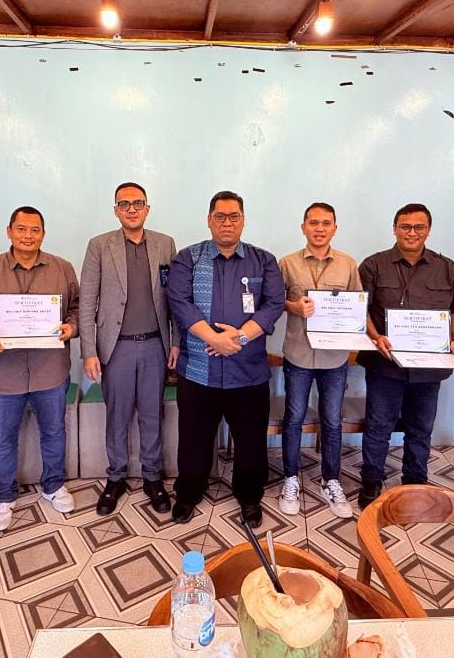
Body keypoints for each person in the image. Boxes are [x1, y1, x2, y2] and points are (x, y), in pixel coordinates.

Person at [166, 190, 285, 527]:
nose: (227, 222)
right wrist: (214, 338)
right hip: (198, 369)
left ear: (243, 220)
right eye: (220, 216)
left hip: (248, 370)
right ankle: (189, 493)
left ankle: (249, 497)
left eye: (234, 216)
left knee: (250, 440)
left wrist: (239, 338)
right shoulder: (187, 259)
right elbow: (179, 301)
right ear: (209, 220)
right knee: (194, 439)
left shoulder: (264, 260)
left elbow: (274, 304)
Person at [0, 206, 80, 529]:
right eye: (22, 229)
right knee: (2, 438)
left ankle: (54, 485)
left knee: (54, 431)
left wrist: (71, 327)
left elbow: (77, 307)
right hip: (3, 372)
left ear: (43, 233)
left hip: (50, 369)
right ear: (9, 231)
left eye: (35, 230)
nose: (28, 236)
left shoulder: (62, 268)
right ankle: (3, 497)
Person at [356, 203, 454, 508]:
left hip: (430, 367)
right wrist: (375, 336)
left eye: (419, 227)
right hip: (385, 364)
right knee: (379, 426)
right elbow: (360, 308)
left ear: (428, 231)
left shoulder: (446, 267)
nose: (412, 233)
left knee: (420, 428)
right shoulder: (374, 265)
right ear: (395, 229)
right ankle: (371, 480)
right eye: (405, 227)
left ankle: (415, 481)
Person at [79, 182, 178, 515]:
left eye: (138, 203)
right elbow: (87, 302)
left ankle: (153, 477)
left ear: (147, 208)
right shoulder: (99, 246)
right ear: (116, 210)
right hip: (116, 348)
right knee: (117, 417)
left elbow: (176, 299)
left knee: (152, 416)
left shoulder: (165, 244)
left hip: (154, 346)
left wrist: (176, 342)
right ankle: (116, 477)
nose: (132, 209)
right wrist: (89, 351)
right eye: (124, 204)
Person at [277, 202, 361, 518]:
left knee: (332, 421)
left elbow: (357, 307)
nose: (319, 228)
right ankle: (290, 478)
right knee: (294, 418)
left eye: (326, 223)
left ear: (334, 228)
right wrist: (293, 307)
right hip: (298, 354)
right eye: (313, 222)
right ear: (303, 227)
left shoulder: (348, 264)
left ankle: (331, 480)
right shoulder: (287, 263)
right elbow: (273, 301)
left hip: (334, 358)